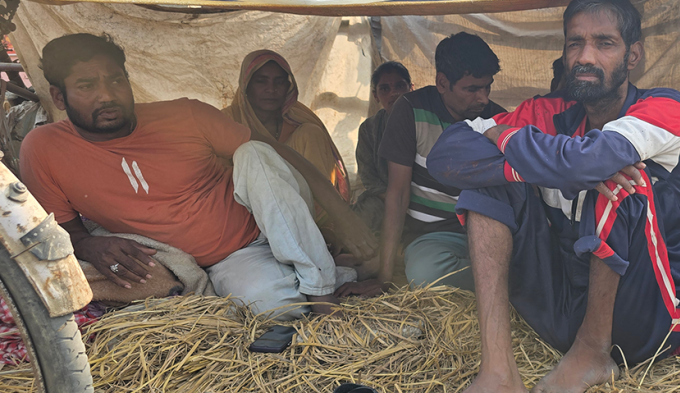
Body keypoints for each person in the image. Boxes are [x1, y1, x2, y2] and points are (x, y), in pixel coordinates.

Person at [412, 0, 680, 393]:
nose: (585, 57)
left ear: (633, 55)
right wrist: (537, 165)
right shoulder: (547, 114)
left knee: (621, 183)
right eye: (574, 43)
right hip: (560, 306)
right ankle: (498, 380)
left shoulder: (664, 107)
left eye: (604, 43)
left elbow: (591, 161)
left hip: (644, 318)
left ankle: (592, 352)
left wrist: (506, 139)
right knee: (486, 184)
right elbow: (446, 156)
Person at [20, 34, 376, 320]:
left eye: (116, 80)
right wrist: (89, 245)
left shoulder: (186, 115)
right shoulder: (44, 149)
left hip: (254, 232)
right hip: (213, 262)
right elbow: (63, 230)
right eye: (86, 86)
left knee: (253, 151)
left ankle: (322, 292)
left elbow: (278, 156)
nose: (107, 96)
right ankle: (335, 272)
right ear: (59, 97)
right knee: (277, 310)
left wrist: (344, 217)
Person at [344, 33, 505, 297]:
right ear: (442, 83)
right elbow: (397, 194)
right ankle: (510, 280)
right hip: (435, 236)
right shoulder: (410, 110)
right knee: (424, 274)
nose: (483, 98)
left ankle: (509, 277)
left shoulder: (497, 118)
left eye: (487, 87)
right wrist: (384, 277)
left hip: (490, 231)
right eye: (472, 89)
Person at [224, 50, 352, 249]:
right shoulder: (227, 121)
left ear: (288, 86)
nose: (271, 89)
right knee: (250, 151)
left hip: (305, 214)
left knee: (311, 133)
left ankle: (314, 230)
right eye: (261, 81)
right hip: (247, 213)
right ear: (246, 85)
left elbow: (320, 177)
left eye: (279, 82)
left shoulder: (300, 121)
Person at [352, 62, 412, 231]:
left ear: (411, 88)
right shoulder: (369, 129)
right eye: (385, 89)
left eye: (400, 86)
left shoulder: (424, 123)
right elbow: (368, 177)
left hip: (423, 200)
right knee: (365, 213)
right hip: (384, 198)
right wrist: (395, 201)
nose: (394, 93)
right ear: (376, 96)